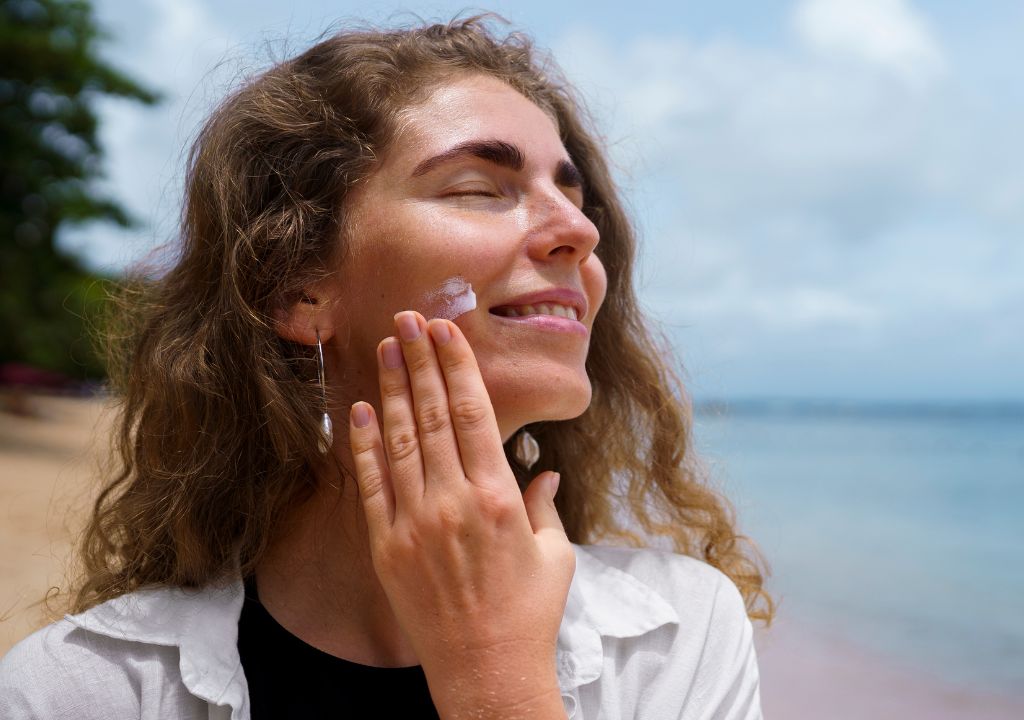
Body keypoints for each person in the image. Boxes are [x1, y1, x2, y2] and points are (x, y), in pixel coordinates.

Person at [0, 15, 773, 719]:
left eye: (577, 201)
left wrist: (492, 670)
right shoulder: (80, 689)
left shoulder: (678, 639)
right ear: (299, 287)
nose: (578, 230)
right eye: (480, 189)